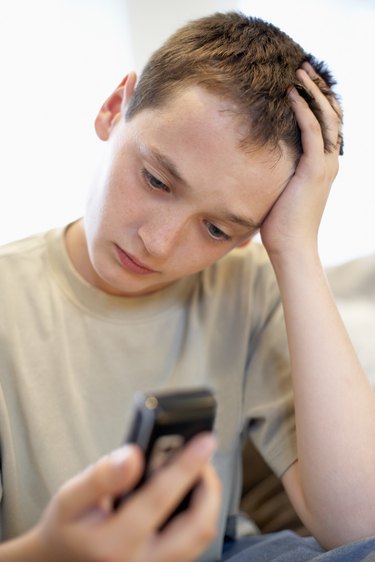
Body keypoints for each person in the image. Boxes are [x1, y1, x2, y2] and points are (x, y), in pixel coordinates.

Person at [1, 10, 375, 562]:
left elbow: (359, 523)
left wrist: (294, 247)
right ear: (113, 109)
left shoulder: (246, 287)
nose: (158, 242)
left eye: (218, 228)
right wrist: (51, 551)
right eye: (155, 179)